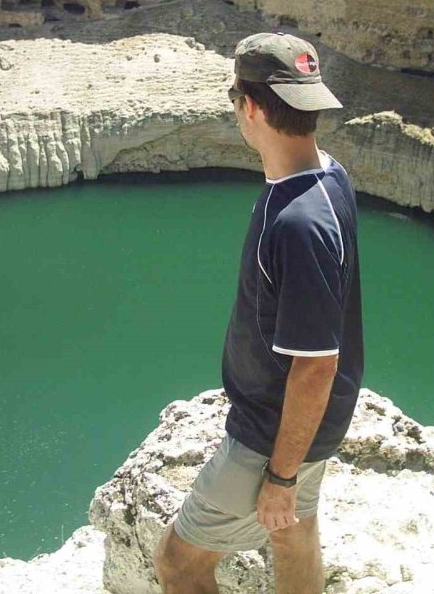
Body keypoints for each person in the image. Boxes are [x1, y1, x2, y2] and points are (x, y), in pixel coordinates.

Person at [154, 32, 364, 594]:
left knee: (179, 562)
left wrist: (280, 475)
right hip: (312, 423)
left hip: (270, 434)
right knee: (292, 533)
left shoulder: (297, 221)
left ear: (249, 107)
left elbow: (315, 363)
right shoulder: (329, 176)